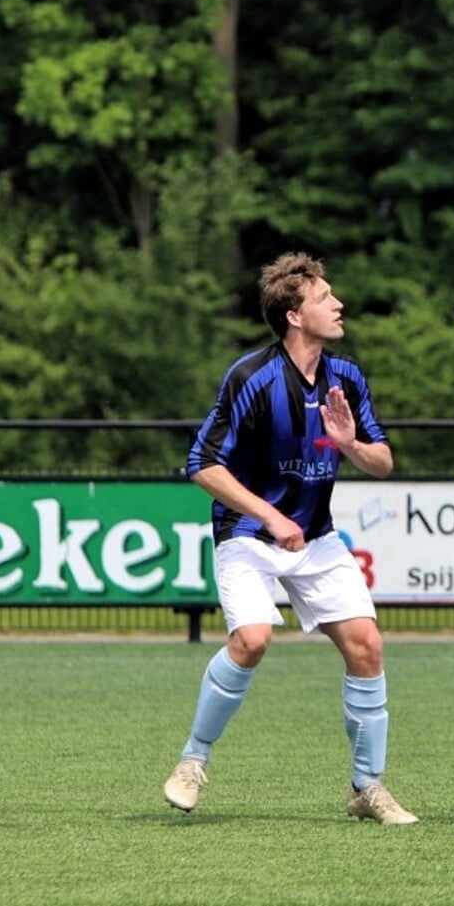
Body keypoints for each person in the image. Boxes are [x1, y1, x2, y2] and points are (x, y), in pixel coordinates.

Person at [162, 253, 418, 825]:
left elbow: (383, 464)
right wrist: (271, 517)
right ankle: (191, 762)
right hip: (250, 534)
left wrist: (350, 444)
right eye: (325, 298)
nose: (338, 304)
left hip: (317, 539)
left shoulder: (346, 378)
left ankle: (366, 788)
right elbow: (201, 463)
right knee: (252, 639)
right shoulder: (251, 377)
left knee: (367, 648)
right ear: (294, 315)